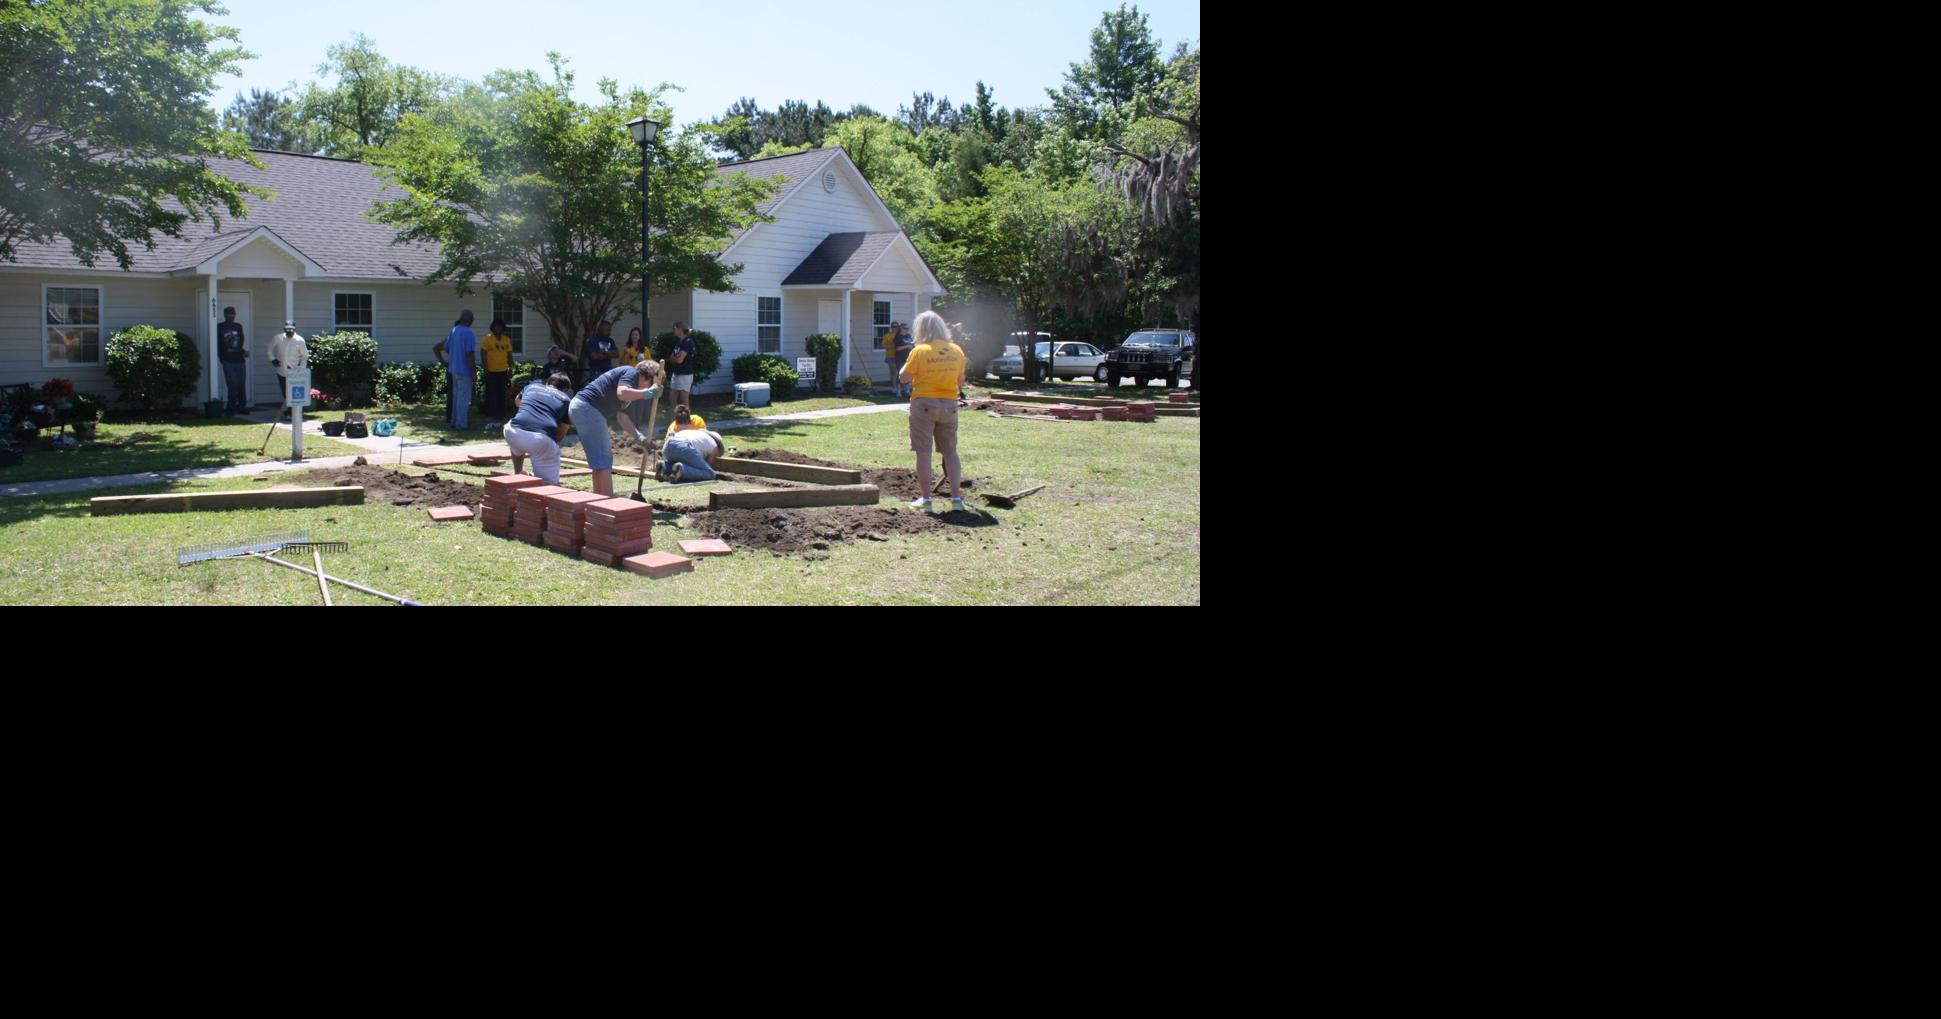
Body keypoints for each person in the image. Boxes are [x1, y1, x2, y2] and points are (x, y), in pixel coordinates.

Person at [900, 311, 967, 513]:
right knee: (950, 452)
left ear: (921, 330)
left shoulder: (920, 351)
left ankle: (926, 500)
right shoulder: (957, 350)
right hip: (949, 404)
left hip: (924, 404)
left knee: (923, 452)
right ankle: (956, 499)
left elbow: (904, 377)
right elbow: (960, 381)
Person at [568, 359, 663, 496]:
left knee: (599, 461)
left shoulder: (631, 389)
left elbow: (622, 418)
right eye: (651, 384)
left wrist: (639, 437)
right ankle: (607, 503)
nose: (648, 388)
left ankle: (599, 498)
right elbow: (622, 393)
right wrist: (647, 393)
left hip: (582, 408)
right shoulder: (631, 373)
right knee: (604, 460)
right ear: (645, 376)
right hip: (588, 408)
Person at [504, 373, 575, 484]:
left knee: (518, 442)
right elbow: (560, 435)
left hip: (512, 432)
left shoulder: (532, 386)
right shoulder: (567, 401)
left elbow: (517, 402)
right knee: (548, 486)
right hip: (540, 438)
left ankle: (518, 474)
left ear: (548, 382)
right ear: (565, 389)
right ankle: (545, 485)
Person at [443, 310, 479, 430]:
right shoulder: (469, 333)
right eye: (472, 318)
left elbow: (446, 347)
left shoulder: (454, 330)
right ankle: (461, 424)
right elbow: (469, 354)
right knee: (463, 399)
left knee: (456, 397)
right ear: (468, 319)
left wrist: (455, 355)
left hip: (453, 369)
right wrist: (474, 372)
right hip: (464, 371)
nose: (473, 321)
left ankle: (454, 421)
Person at [269, 320, 307, 423]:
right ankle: (290, 412)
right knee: (285, 393)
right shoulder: (278, 338)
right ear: (284, 329)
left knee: (292, 393)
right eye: (287, 330)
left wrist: (301, 368)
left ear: (294, 329)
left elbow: (304, 356)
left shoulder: (300, 340)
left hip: (294, 371)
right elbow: (270, 350)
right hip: (281, 370)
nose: (289, 332)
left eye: (291, 330)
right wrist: (273, 359)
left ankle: (291, 413)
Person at [480, 317, 515, 421]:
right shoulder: (488, 338)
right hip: (491, 370)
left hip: (503, 370)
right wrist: (485, 367)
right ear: (492, 327)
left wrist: (510, 368)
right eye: (495, 326)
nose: (497, 328)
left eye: (499, 326)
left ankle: (502, 414)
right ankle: (490, 414)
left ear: (502, 327)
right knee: (491, 393)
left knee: (502, 392)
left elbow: (509, 354)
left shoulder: (506, 339)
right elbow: (482, 352)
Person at [217, 307, 249, 415]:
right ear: (225, 315)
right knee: (232, 384)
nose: (231, 316)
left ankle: (242, 407)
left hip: (240, 360)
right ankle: (231, 408)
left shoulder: (238, 326)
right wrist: (221, 358)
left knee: (241, 384)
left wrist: (243, 351)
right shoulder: (219, 327)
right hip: (227, 360)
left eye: (233, 314)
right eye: (229, 314)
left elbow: (241, 342)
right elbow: (218, 344)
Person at [667, 321, 698, 406]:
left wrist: (675, 358)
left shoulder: (688, 342)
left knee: (684, 400)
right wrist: (675, 358)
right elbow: (671, 358)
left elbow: (680, 360)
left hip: (685, 374)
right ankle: (673, 419)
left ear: (680, 329)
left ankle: (686, 419)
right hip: (676, 373)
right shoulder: (679, 342)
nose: (674, 330)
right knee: (672, 399)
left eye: (675, 329)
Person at [892, 322, 916, 399]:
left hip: (909, 358)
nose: (907, 330)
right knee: (900, 375)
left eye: (908, 328)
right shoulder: (898, 337)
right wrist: (907, 346)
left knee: (908, 374)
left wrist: (912, 346)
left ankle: (907, 390)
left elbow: (913, 345)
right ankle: (898, 391)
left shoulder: (909, 336)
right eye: (905, 328)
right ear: (901, 329)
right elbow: (897, 348)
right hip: (900, 358)